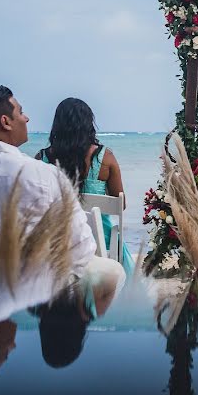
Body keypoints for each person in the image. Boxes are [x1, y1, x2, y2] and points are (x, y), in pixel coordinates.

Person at [0, 85, 119, 285]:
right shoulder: (43, 176)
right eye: (20, 112)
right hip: (24, 295)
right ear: (6, 122)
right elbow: (82, 248)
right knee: (113, 273)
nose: (26, 118)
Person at [35, 98, 134, 274]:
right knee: (114, 236)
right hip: (99, 242)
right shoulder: (104, 157)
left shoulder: (41, 159)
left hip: (57, 242)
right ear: (88, 124)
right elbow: (121, 204)